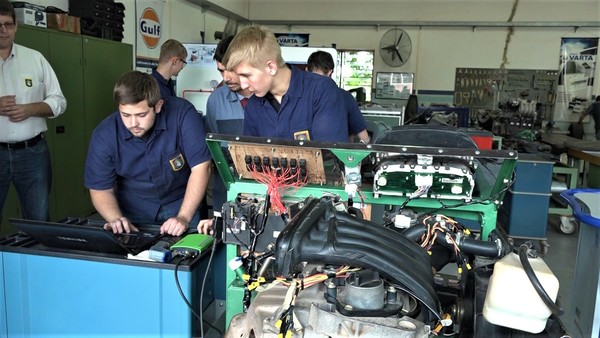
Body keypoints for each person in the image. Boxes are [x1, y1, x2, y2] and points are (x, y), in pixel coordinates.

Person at [85, 71, 211, 236]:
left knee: (190, 256)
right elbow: (100, 188)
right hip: (134, 210)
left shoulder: (182, 114)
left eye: (141, 115)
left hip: (183, 202)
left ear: (158, 106)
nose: (133, 123)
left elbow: (202, 167)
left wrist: (183, 217)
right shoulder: (105, 135)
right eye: (126, 115)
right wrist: (115, 218)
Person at [0, 0, 67, 222]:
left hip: (33, 154)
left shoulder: (35, 58)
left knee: (38, 220)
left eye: (8, 24)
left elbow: (59, 101)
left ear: (16, 25)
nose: (3, 31)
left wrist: (31, 109)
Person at [222, 25, 348, 142]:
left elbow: (329, 155)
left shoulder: (321, 90)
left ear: (271, 67)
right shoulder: (253, 106)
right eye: (239, 77)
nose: (243, 85)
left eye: (246, 75)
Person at [205, 35, 252, 217]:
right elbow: (212, 149)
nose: (226, 78)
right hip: (226, 192)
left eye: (231, 70)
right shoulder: (216, 101)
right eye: (221, 71)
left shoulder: (271, 100)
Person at [307, 50, 370, 143]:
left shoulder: (297, 95)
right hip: (336, 154)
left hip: (302, 153)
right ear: (330, 72)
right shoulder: (345, 97)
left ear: (306, 70)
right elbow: (363, 136)